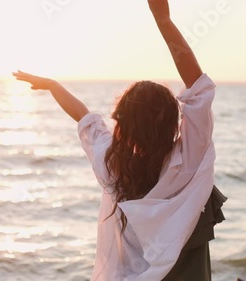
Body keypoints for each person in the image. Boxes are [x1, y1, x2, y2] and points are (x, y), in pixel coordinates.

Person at [13, 0, 226, 280]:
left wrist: (54, 86)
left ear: (123, 123)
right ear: (173, 121)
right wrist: (163, 20)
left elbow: (85, 118)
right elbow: (198, 87)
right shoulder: (188, 161)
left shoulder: (112, 165)